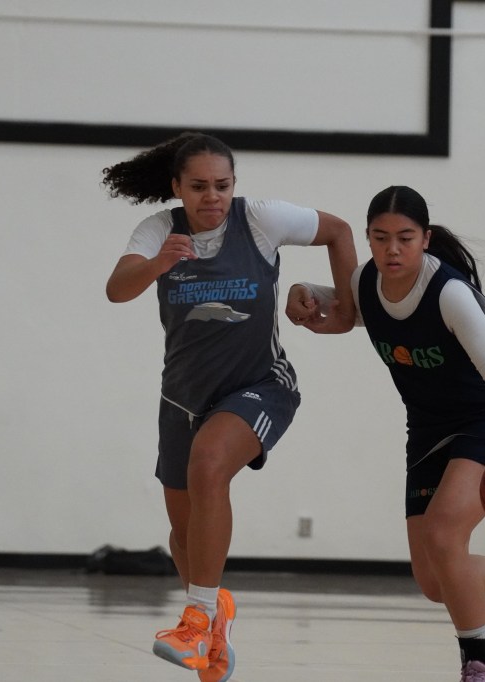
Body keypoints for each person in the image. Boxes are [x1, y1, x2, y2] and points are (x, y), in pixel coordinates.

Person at [102, 132, 357, 681]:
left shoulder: (260, 220)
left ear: (234, 185)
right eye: (199, 186)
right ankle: (215, 619)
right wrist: (157, 263)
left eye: (222, 185)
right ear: (177, 186)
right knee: (183, 533)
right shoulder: (159, 230)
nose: (212, 196)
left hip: (259, 384)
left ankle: (195, 620)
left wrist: (346, 310)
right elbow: (116, 289)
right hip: (181, 397)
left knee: (209, 464)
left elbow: (338, 230)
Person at [286, 185, 485, 682]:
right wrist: (303, 289)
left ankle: (481, 663)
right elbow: (345, 307)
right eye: (380, 237)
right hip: (427, 430)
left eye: (405, 238)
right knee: (435, 581)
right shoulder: (366, 282)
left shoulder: (449, 294)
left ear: (425, 239)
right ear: (368, 238)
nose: (392, 249)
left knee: (443, 534)